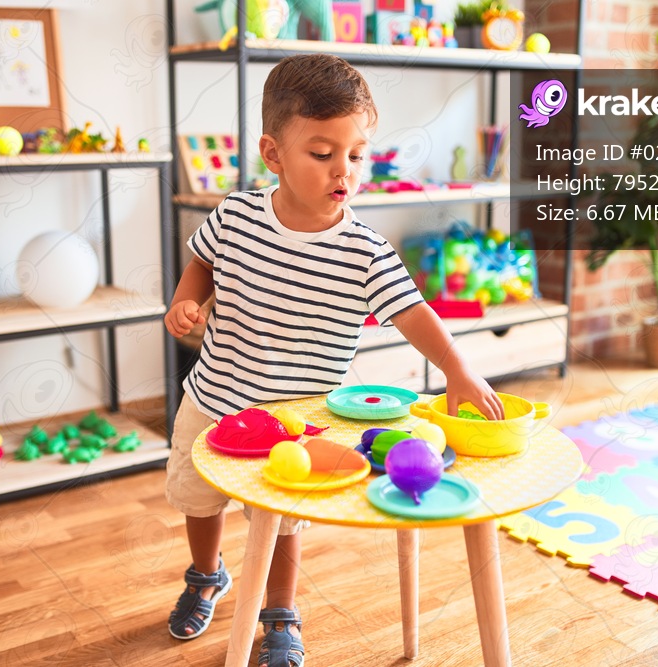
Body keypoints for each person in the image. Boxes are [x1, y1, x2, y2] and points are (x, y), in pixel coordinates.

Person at [164, 52, 505, 667]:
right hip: (213, 400)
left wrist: (457, 367)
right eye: (322, 155)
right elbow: (203, 264)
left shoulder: (366, 251)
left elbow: (413, 312)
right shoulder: (236, 215)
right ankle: (205, 574)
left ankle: (280, 611)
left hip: (296, 416)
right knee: (198, 499)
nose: (342, 170)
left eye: (356, 154)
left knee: (286, 519)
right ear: (273, 154)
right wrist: (187, 302)